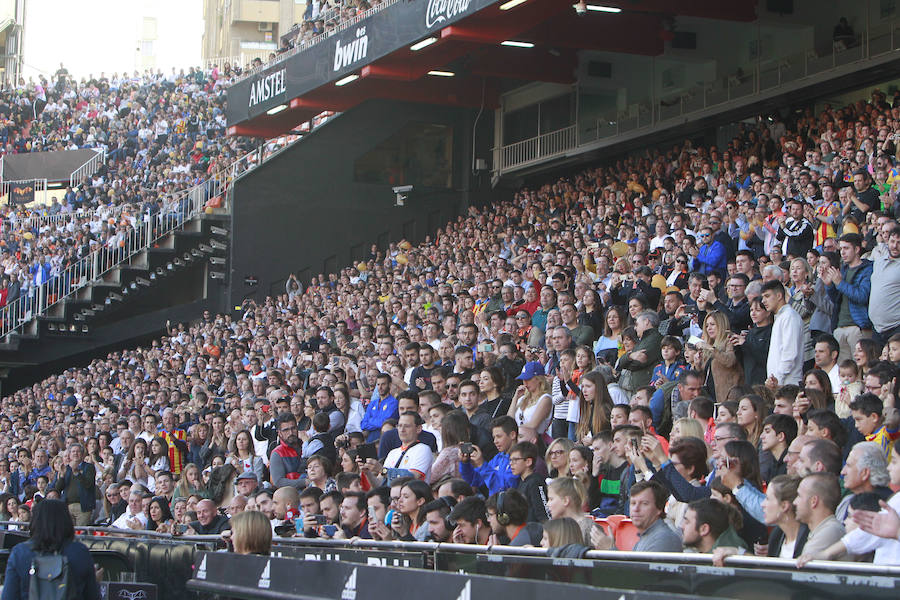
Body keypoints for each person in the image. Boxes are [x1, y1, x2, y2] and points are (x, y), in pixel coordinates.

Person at [1, 499, 100, 600]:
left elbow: (8, 596)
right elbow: (92, 595)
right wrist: (95, 581)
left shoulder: (19, 553)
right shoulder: (80, 552)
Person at [761, 280, 804, 386]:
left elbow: (790, 353)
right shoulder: (781, 317)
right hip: (778, 383)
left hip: (788, 383)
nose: (763, 301)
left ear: (779, 295)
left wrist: (778, 380)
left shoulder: (789, 316)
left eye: (767, 296)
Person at [630, 480, 683, 552]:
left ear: (659, 508)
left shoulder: (664, 539)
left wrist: (611, 546)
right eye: (633, 503)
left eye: (644, 503)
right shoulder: (647, 535)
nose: (636, 509)